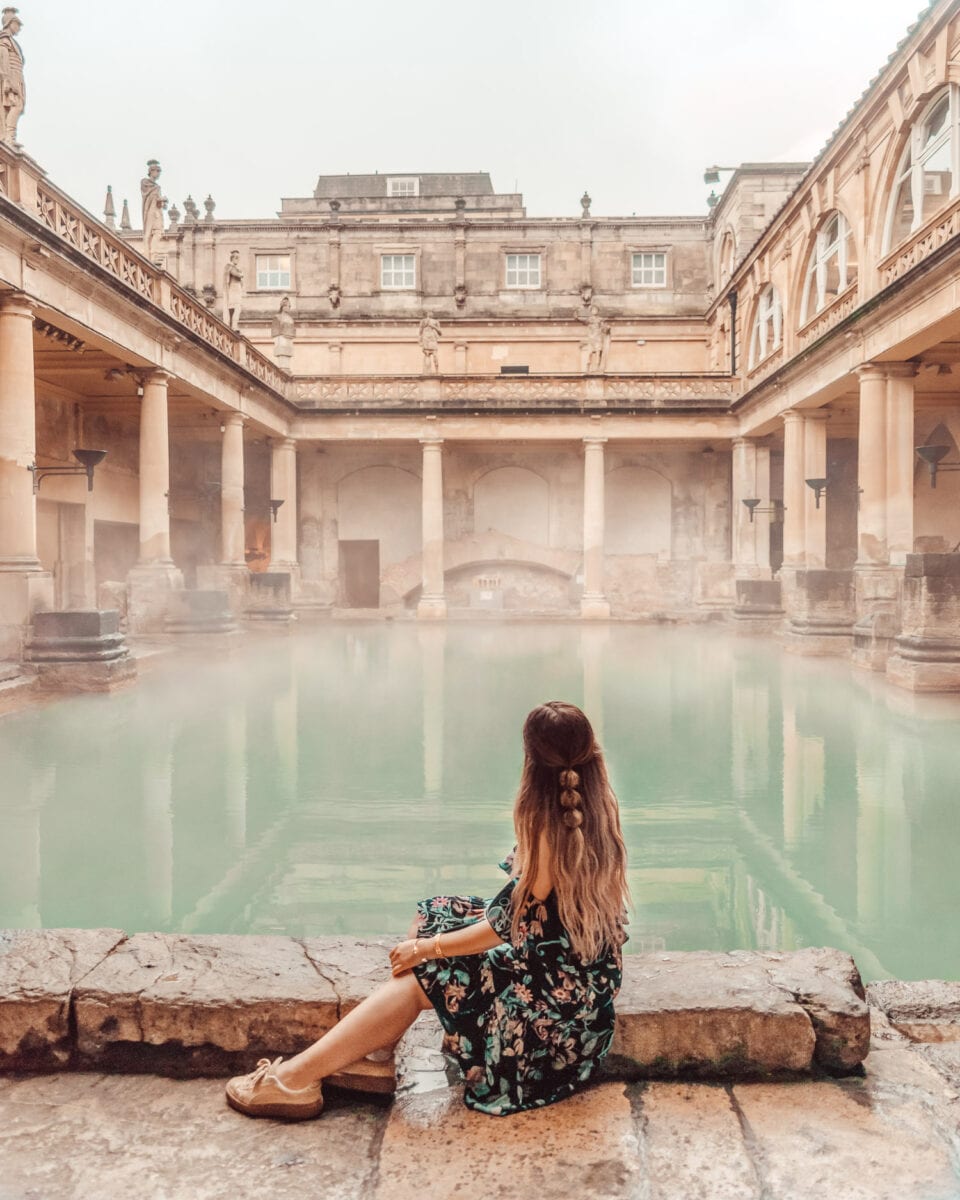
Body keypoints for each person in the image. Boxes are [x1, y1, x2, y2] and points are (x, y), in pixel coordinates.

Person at [225, 700, 630, 1120]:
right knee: (438, 911)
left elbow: (503, 929)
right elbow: (529, 915)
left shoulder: (549, 828)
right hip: (576, 981)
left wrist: (428, 950)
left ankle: (290, 1081)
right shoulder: (596, 803)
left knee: (425, 968)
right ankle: (375, 1055)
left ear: (530, 758)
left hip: (544, 1024)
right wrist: (437, 939)